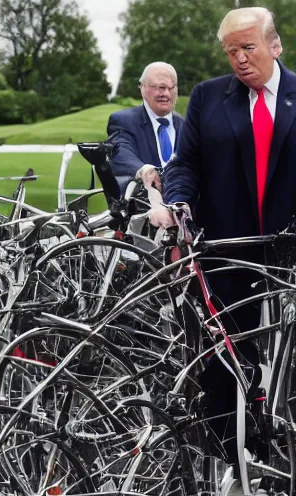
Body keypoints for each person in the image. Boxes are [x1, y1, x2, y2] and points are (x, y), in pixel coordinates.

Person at [156, 6, 295, 467]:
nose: (238, 58)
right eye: (230, 50)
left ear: (275, 46)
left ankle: (283, 462)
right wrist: (178, 202)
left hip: (287, 257)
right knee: (225, 366)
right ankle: (230, 464)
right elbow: (184, 163)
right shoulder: (208, 97)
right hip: (226, 257)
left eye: (248, 47)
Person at [106, 62, 184, 191]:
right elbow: (119, 150)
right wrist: (143, 170)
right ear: (143, 88)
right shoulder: (123, 121)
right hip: (143, 203)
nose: (165, 94)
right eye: (160, 87)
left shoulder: (186, 125)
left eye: (171, 88)